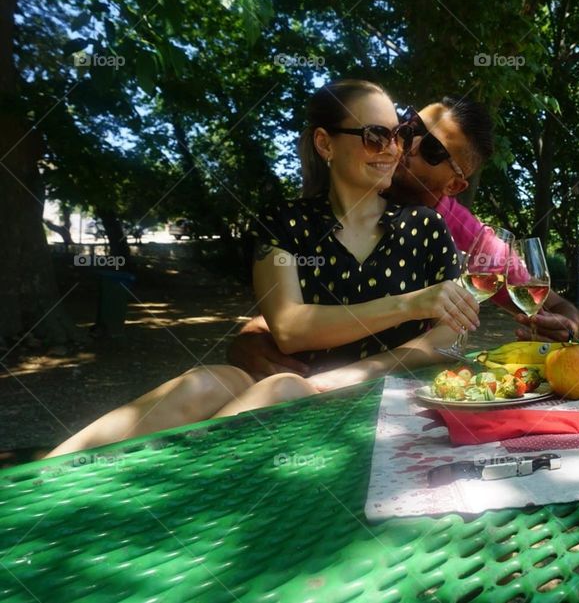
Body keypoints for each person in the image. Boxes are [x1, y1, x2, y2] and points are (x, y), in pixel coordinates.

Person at [46, 79, 476, 457]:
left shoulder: (425, 224)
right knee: (207, 382)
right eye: (376, 136)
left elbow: (453, 331)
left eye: (396, 137)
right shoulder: (285, 221)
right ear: (326, 144)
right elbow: (290, 329)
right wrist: (408, 305)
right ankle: (39, 486)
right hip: (290, 383)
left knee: (282, 388)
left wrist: (348, 375)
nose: (393, 150)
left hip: (354, 394)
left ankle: (159, 493)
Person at [229, 96, 579, 379]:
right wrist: (251, 338)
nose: (408, 146)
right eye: (409, 127)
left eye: (432, 150)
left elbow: (551, 303)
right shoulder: (343, 183)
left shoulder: (458, 231)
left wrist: (567, 326)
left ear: (454, 185)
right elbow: (307, 295)